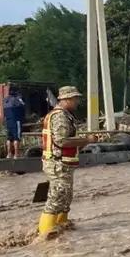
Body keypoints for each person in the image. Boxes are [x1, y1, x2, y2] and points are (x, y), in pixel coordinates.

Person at [37, 86, 97, 238]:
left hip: (63, 164)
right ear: (67, 99)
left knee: (65, 197)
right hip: (57, 164)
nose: (77, 102)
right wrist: (87, 140)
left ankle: (62, 227)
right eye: (75, 99)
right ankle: (45, 235)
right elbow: (62, 141)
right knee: (57, 197)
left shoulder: (65, 115)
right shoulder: (60, 117)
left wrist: (84, 141)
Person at [3, 85, 25, 158]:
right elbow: (23, 106)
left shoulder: (5, 100)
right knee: (16, 137)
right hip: (16, 120)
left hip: (8, 121)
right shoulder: (17, 99)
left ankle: (9, 154)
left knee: (9, 138)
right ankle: (16, 154)